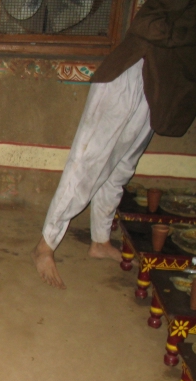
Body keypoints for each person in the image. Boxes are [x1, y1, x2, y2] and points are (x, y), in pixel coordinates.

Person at [32, 0, 196, 289]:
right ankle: (45, 245)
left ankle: (100, 240)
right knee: (88, 163)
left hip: (156, 87)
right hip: (126, 76)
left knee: (122, 167)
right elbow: (146, 24)